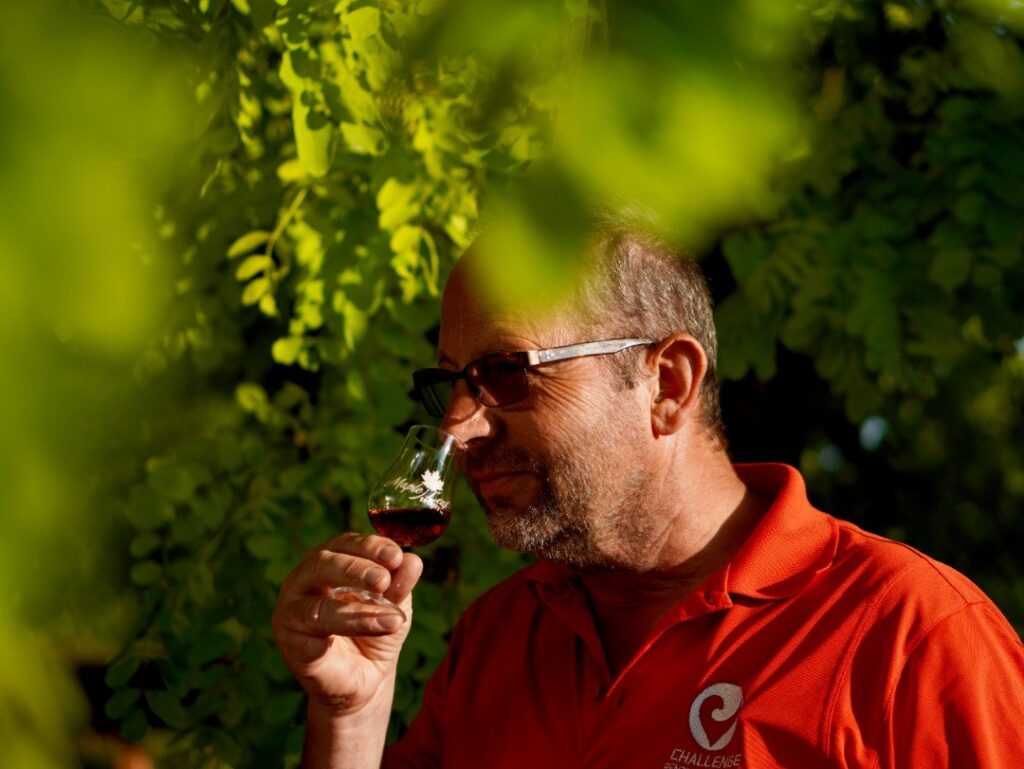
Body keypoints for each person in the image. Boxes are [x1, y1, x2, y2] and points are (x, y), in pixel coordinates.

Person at [272, 214, 1024, 768]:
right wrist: (352, 716)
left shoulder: (909, 637)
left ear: (667, 382)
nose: (461, 426)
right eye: (451, 383)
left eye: (505, 374)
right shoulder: (496, 639)